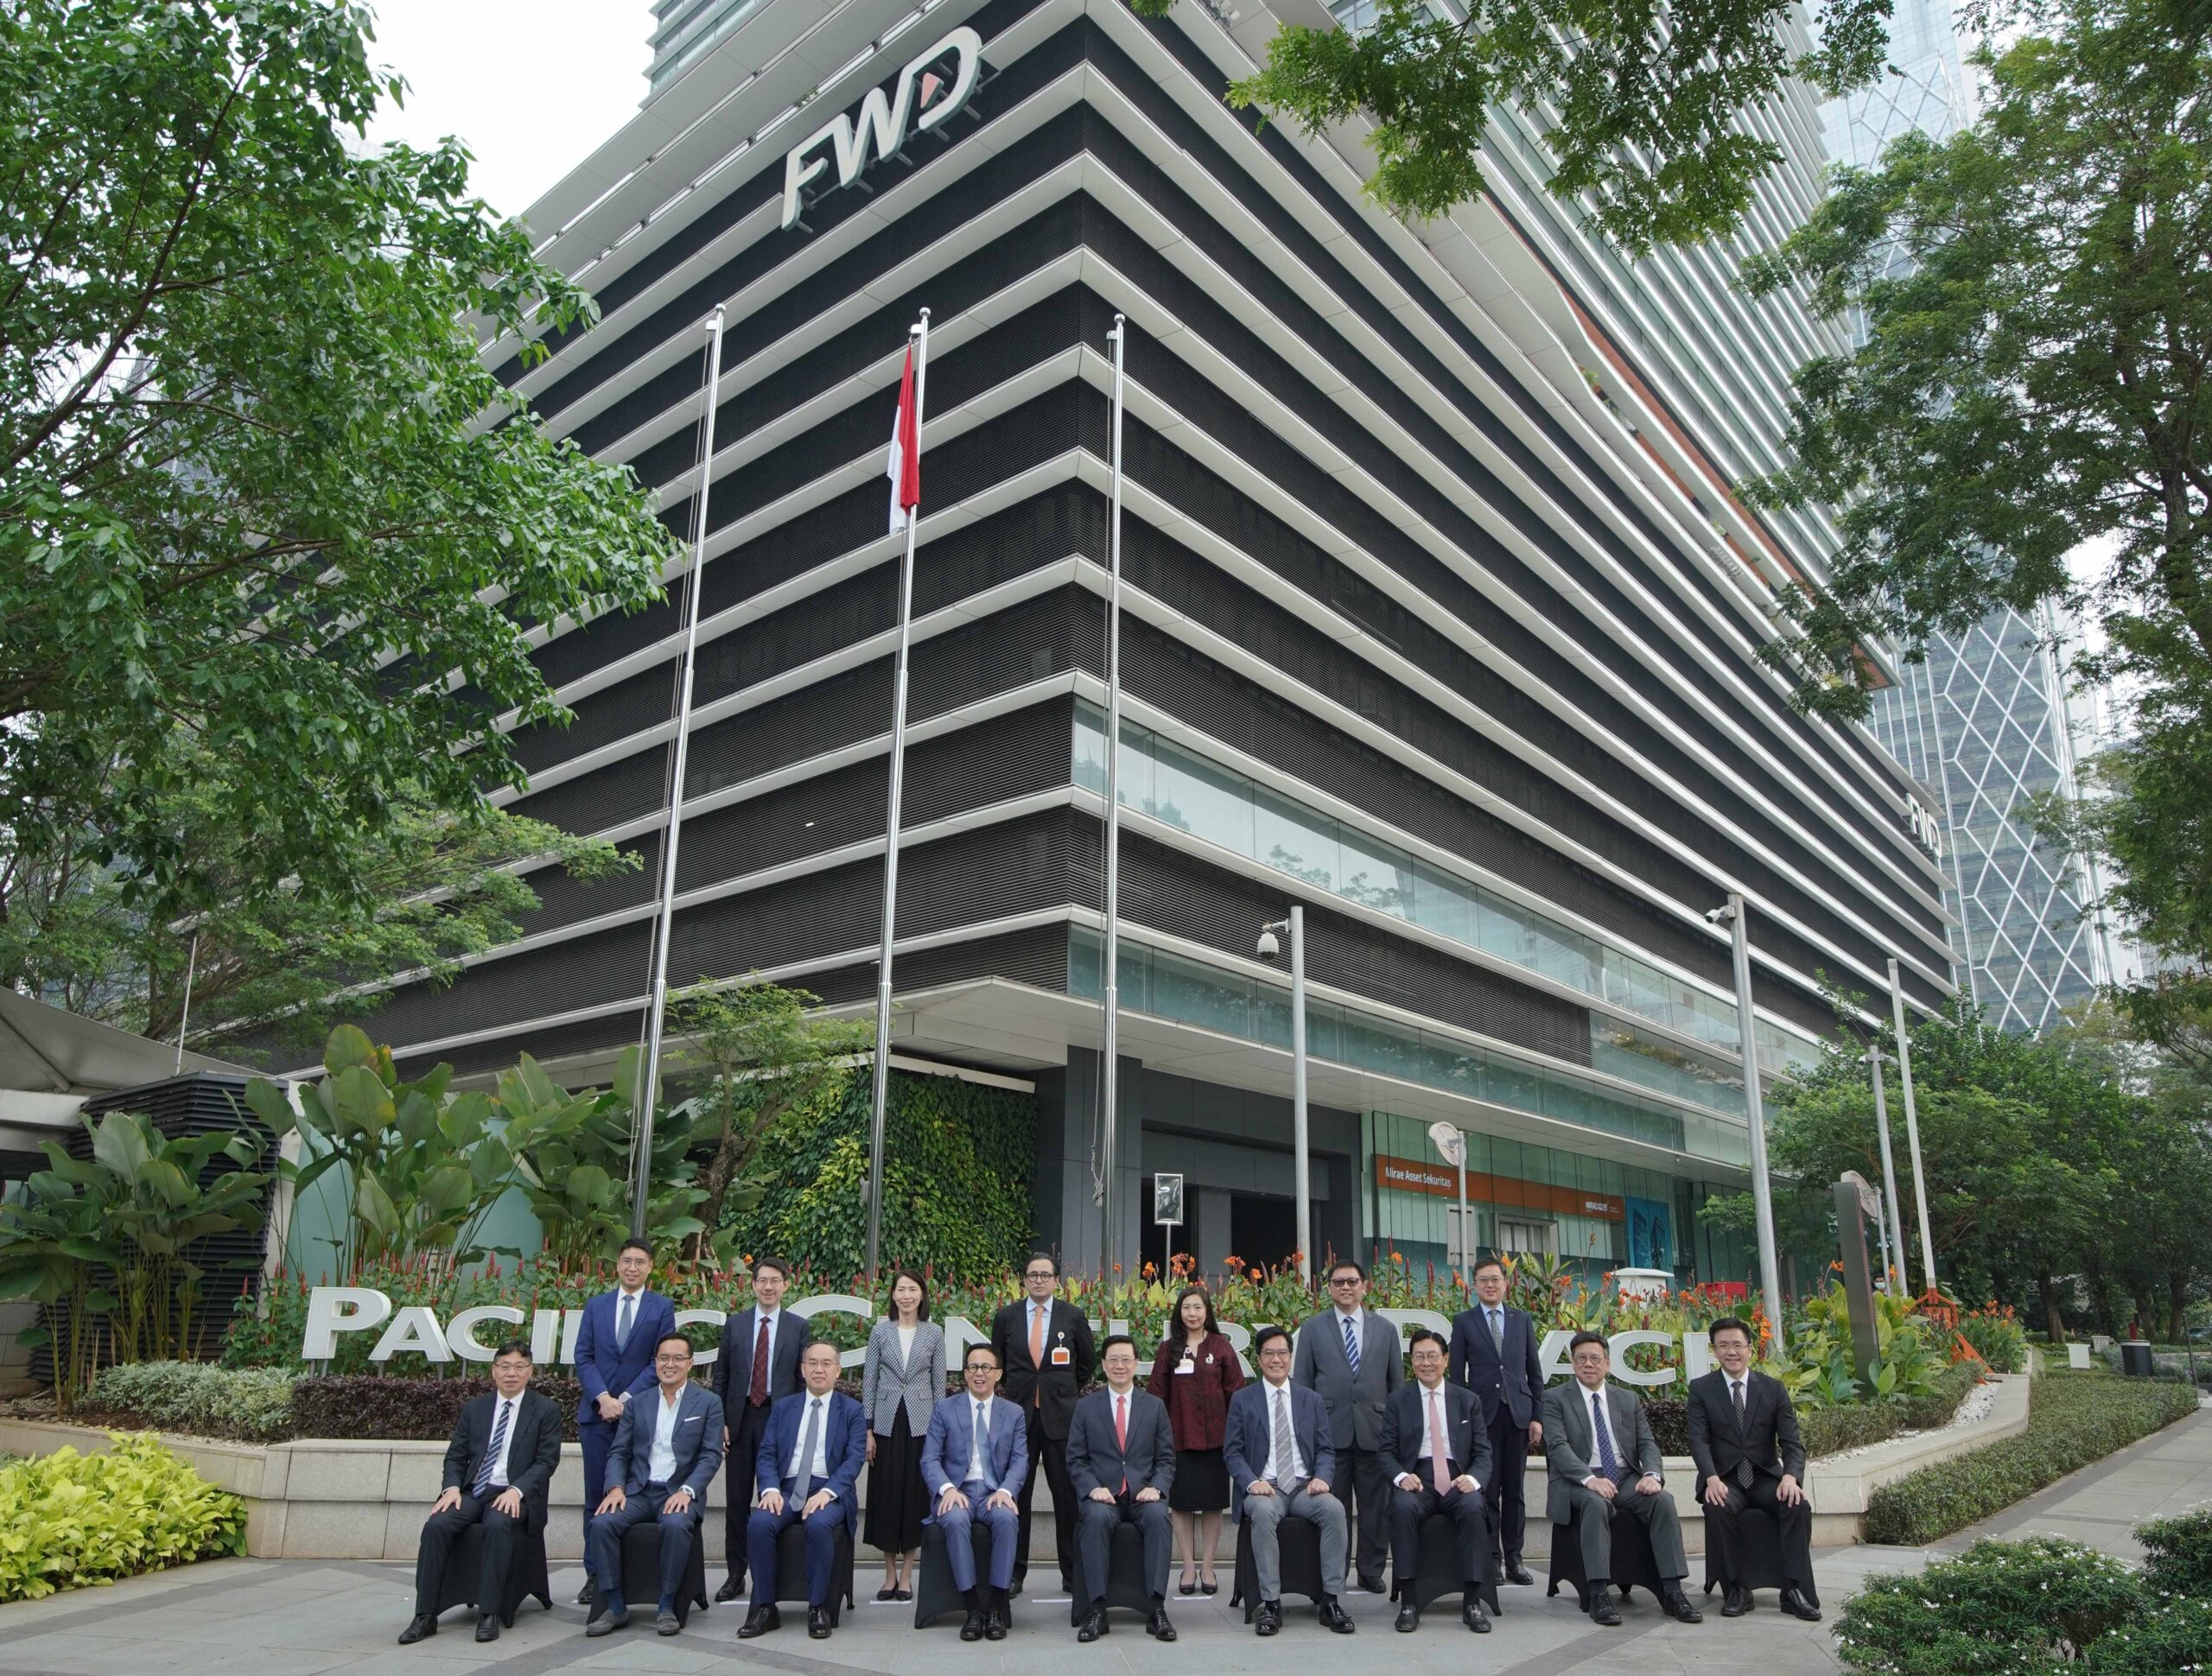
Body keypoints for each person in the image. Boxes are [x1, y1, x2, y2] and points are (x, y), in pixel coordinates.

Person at [397, 1341, 563, 1646]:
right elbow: (456, 1456)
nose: (511, 1373)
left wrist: (517, 1490)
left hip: (515, 1493)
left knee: (498, 1524)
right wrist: (450, 1489)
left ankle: (489, 1613)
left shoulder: (545, 1410)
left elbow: (546, 1461)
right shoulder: (475, 1409)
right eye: (504, 1367)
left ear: (530, 1371)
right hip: (474, 1491)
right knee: (436, 1526)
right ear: (493, 1371)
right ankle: (425, 1615)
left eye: (519, 1367)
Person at [1540, 1331, 1702, 1627]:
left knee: (1663, 1501)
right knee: (1595, 1503)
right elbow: (1558, 1447)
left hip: (1624, 1477)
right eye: (1581, 1358)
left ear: (1608, 1363)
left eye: (1595, 1358)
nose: (1588, 1364)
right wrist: (1589, 1479)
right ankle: (1599, 1594)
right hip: (1577, 1480)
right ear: (1573, 1363)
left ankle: (1673, 1591)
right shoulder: (1555, 1398)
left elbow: (1647, 1443)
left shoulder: (1627, 1399)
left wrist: (1652, 1474)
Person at [583, 1332, 726, 1638]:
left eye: (677, 1358)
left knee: (676, 1525)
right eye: (663, 1358)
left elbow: (711, 1455)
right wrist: (615, 1488)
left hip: (678, 1492)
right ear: (655, 1362)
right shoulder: (639, 1403)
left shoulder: (709, 1403)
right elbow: (619, 1452)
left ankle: (667, 1604)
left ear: (690, 1363)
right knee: (601, 1523)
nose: (669, 1364)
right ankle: (615, 1605)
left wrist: (688, 1491)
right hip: (638, 1491)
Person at [1222, 1324, 1354, 1637]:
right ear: (1258, 1359)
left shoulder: (1311, 1399)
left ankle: (1331, 1601)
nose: (1276, 1359)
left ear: (1290, 1358)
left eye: (1282, 1353)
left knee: (1335, 1510)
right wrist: (1251, 1482)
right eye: (1269, 1353)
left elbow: (1325, 1449)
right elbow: (1233, 1452)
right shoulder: (1243, 1400)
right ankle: (1271, 1603)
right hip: (1266, 1487)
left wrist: (1322, 1477)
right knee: (1262, 1512)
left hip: (1305, 1487)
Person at [1688, 1316, 1821, 1622]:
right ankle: (1736, 1589)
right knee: (1717, 1507)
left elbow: (1792, 1442)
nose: (1731, 1352)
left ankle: (1793, 1589)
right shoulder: (1701, 1389)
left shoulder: (1773, 1389)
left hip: (1764, 1478)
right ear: (1715, 1350)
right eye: (1723, 1346)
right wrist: (1710, 1478)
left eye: (1737, 1345)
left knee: (1797, 1505)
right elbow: (1698, 1440)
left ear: (1750, 1348)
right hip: (1725, 1478)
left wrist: (1791, 1477)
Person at [739, 1339, 867, 1641]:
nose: (819, 1369)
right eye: (813, 1363)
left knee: (820, 1524)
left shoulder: (852, 1410)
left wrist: (828, 1493)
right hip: (785, 1489)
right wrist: (769, 1489)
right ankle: (764, 1608)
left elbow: (853, 1460)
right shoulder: (784, 1407)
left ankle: (818, 1607)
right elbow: (767, 1453)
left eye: (826, 1364)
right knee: (759, 1522)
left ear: (838, 1371)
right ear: (803, 1369)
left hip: (828, 1490)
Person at [573, 1239, 677, 1600]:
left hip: (640, 1414)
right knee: (595, 1495)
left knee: (634, 1494)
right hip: (596, 1415)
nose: (633, 1268)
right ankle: (594, 1574)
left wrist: (625, 1400)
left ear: (650, 1267)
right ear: (617, 1265)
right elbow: (583, 1356)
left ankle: (631, 1573)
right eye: (627, 1261)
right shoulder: (596, 1306)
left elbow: (660, 1360)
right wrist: (602, 1398)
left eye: (640, 1262)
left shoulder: (661, 1307)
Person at [1293, 1257, 1402, 1591]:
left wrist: (1395, 1432)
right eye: (1338, 1282)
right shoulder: (1313, 1328)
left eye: (1352, 1282)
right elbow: (1303, 1386)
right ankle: (1334, 1572)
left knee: (1375, 1508)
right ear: (1328, 1289)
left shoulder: (1386, 1330)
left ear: (1364, 1287)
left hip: (1374, 1429)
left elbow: (1396, 1385)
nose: (1345, 1287)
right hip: (1329, 1433)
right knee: (1333, 1508)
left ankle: (1370, 1571)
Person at [990, 1249, 1096, 1596]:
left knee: (1066, 1499)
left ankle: (1072, 1573)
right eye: (1033, 1275)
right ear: (1024, 1280)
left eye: (1045, 1275)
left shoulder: (1073, 1316)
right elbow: (998, 1364)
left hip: (1061, 1418)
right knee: (1015, 1496)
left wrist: (1061, 1391)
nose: (1039, 1280)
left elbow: (1087, 1364)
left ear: (1056, 1281)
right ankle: (1014, 1572)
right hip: (1018, 1417)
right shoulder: (1006, 1317)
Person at [1066, 1334, 1178, 1643]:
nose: (1120, 1366)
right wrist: (1092, 1488)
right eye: (1113, 1360)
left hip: (1143, 1495)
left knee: (1159, 1517)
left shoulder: (1154, 1407)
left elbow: (1166, 1459)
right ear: (1103, 1365)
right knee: (1095, 1518)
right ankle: (1096, 1609)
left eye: (1126, 1360)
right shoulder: (1085, 1407)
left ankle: (1156, 1608)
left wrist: (1157, 1487)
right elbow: (1076, 1459)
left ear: (1136, 1364)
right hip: (1103, 1496)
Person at [1381, 1329, 1491, 1633]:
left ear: (1445, 1359)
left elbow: (1483, 1451)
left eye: (1432, 1356)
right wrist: (1401, 1477)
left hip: (1457, 1479)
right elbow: (1385, 1452)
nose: (1426, 1363)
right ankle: (1409, 1602)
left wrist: (1474, 1479)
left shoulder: (1467, 1400)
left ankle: (1472, 1602)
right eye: (1419, 1357)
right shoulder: (1398, 1400)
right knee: (1402, 1508)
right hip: (1418, 1479)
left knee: (1473, 1507)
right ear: (1411, 1362)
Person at [713, 1254, 805, 1603]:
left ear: (786, 1285)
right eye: (762, 1281)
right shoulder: (735, 1325)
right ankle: (736, 1575)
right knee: (737, 1501)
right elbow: (721, 1376)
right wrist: (721, 1420)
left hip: (777, 1419)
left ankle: (772, 1575)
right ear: (752, 1285)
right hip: (740, 1420)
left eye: (775, 1281)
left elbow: (801, 1381)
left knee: (775, 1498)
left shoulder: (798, 1327)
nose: (768, 1287)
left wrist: (797, 1425)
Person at [920, 1342, 1028, 1641]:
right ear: (965, 1374)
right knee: (955, 1520)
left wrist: (1006, 1490)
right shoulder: (944, 1409)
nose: (979, 1373)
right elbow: (929, 1459)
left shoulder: (1014, 1413)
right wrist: (947, 1489)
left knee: (1007, 1519)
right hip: (959, 1491)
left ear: (998, 1374)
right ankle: (972, 1609)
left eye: (986, 1367)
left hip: (995, 1492)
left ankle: (995, 1607)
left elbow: (1020, 1460)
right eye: (973, 1367)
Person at [1447, 1254, 1543, 1585]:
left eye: (1495, 1279)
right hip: (1482, 1417)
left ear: (1506, 1284)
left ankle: (1515, 1559)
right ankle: (1492, 1560)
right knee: (1486, 1490)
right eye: (1483, 1280)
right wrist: (1464, 1420)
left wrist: (1536, 1416)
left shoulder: (1522, 1319)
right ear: (1474, 1285)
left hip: (1518, 1416)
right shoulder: (1464, 1321)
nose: (1490, 1285)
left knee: (1515, 1492)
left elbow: (1534, 1372)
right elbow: (1456, 1376)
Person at [1148, 1283, 1244, 1596]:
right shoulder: (1168, 1349)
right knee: (1181, 1505)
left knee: (1213, 1505)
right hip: (1178, 1439)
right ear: (1179, 1312)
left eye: (1198, 1307)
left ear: (1207, 1312)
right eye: (1187, 1307)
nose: (1192, 1313)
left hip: (1216, 1440)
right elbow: (1156, 1396)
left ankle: (1208, 1566)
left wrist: (1235, 1436)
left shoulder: (1221, 1347)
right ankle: (1188, 1566)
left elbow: (1236, 1394)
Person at [861, 1267, 944, 1602]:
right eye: (901, 1290)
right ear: (893, 1295)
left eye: (912, 1289)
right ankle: (889, 1574)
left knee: (915, 1496)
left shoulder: (934, 1333)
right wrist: (868, 1429)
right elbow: (869, 1380)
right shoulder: (880, 1332)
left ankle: (908, 1574)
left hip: (921, 1424)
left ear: (922, 1295)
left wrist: (940, 1433)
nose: (906, 1295)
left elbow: (939, 1385)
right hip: (885, 1422)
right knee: (886, 1494)